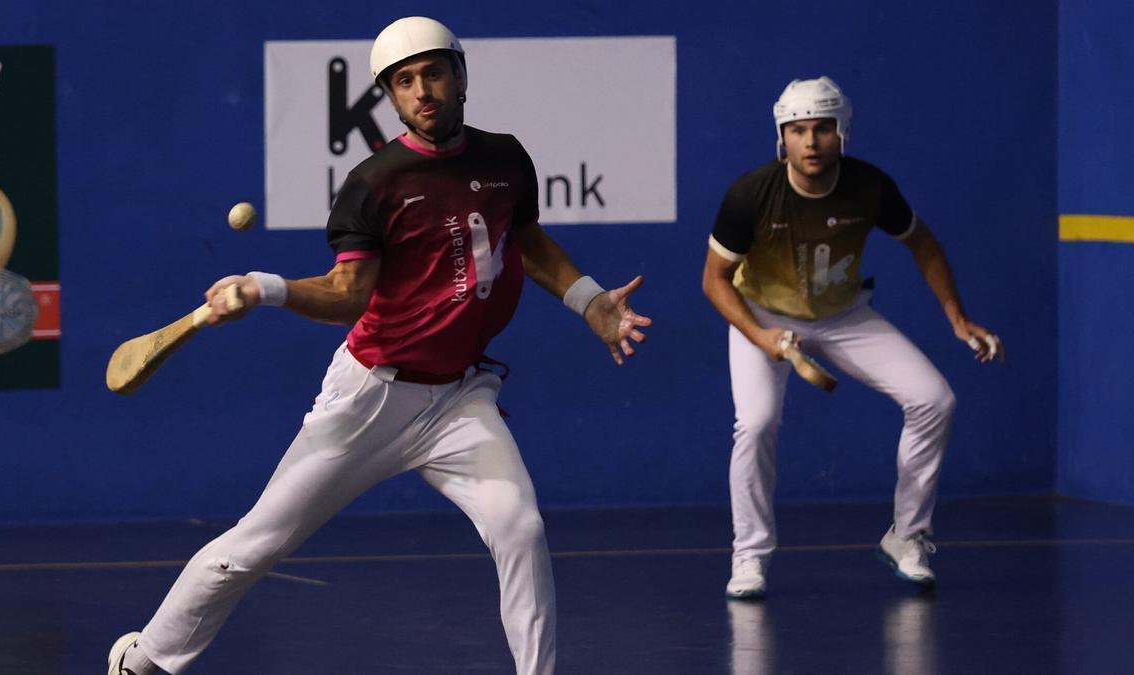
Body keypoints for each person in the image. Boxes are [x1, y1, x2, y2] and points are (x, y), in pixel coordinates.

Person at [107, 16, 651, 675]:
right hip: (369, 397)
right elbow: (346, 292)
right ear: (391, 96)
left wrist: (589, 299)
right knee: (255, 544)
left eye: (433, 73)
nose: (422, 90)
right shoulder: (374, 184)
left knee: (520, 526)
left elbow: (527, 242)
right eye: (404, 81)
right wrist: (267, 287)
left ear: (460, 77)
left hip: (458, 398)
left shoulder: (506, 158)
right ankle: (142, 659)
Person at [701, 76, 1002, 600]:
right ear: (782, 136)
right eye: (798, 130)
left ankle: (907, 537)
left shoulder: (869, 187)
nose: (811, 142)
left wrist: (956, 316)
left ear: (842, 133)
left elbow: (923, 244)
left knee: (935, 400)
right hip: (762, 313)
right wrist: (760, 335)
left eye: (822, 129)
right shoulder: (750, 195)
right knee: (755, 422)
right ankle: (748, 556)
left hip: (842, 315)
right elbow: (714, 280)